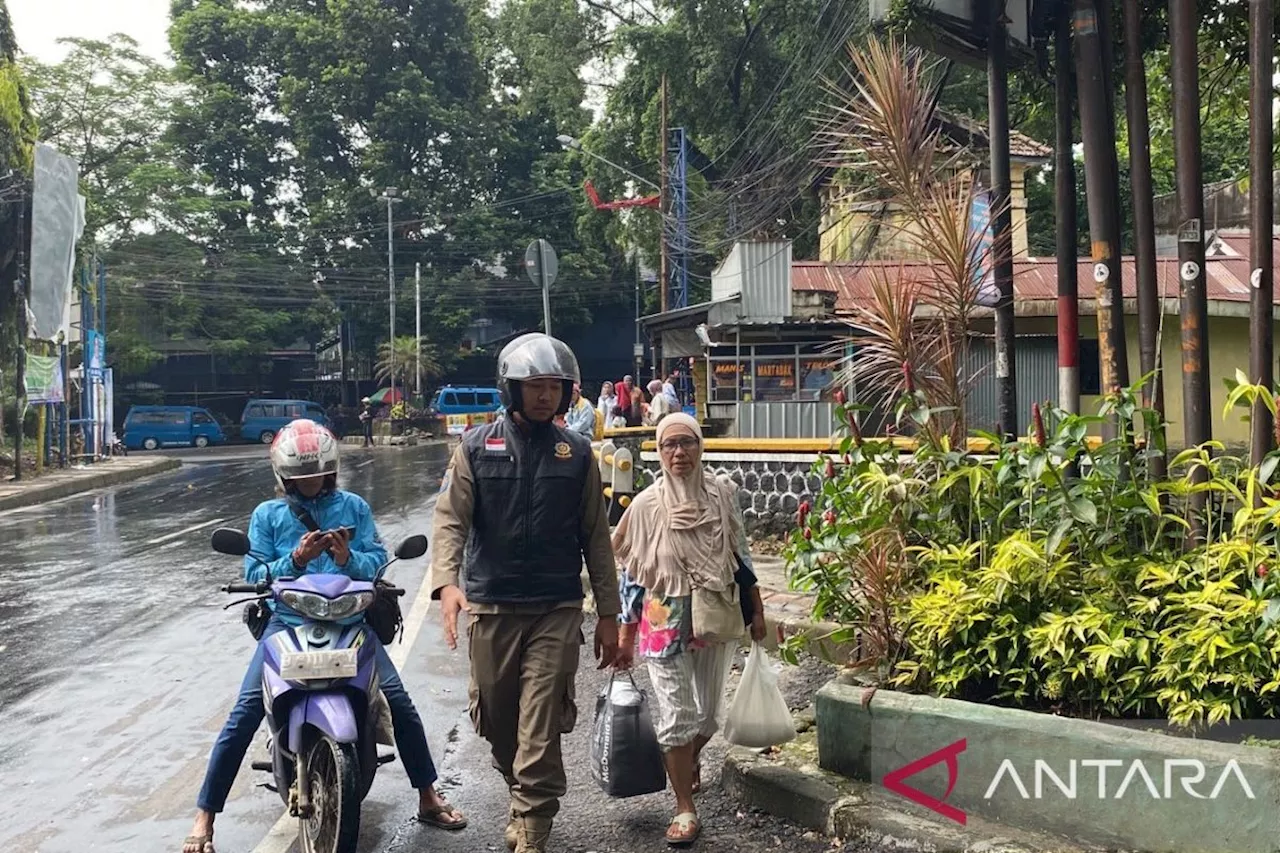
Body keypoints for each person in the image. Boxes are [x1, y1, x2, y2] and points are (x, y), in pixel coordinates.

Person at [180, 419, 464, 853]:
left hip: (351, 625)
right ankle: (204, 817)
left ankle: (428, 796)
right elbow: (254, 573)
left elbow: (377, 561)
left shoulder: (353, 508)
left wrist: (347, 556)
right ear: (285, 477)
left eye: (316, 473)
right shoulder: (267, 516)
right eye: (300, 476)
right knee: (243, 715)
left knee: (400, 704)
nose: (310, 482)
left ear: (330, 470)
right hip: (286, 624)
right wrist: (295, 558)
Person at [430, 333, 620, 853]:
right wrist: (447, 583)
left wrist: (609, 613)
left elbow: (595, 538)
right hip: (492, 603)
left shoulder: (578, 453)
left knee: (539, 728)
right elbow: (451, 521)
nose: (544, 396)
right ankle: (521, 794)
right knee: (497, 722)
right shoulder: (474, 447)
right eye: (533, 386)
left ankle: (532, 830)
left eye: (553, 387)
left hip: (556, 607)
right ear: (510, 390)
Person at [611, 413, 767, 848]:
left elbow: (742, 554)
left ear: (700, 447)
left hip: (715, 610)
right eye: (669, 445)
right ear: (659, 452)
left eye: (687, 443)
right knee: (677, 716)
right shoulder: (645, 505)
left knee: (709, 717)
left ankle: (685, 757)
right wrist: (625, 635)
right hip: (662, 617)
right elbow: (631, 575)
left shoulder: (723, 495)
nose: (678, 452)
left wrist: (756, 608)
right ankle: (684, 806)